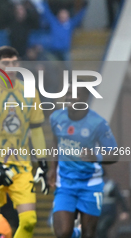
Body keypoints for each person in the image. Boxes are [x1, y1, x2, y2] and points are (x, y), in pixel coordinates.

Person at [0, 46, 48, 238]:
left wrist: (43, 162)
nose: (11, 68)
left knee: (29, 220)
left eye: (14, 63)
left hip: (21, 166)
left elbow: (37, 130)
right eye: (6, 64)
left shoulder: (30, 92)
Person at [48, 85, 118, 238]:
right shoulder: (56, 118)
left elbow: (114, 154)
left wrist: (96, 157)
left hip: (90, 185)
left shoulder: (98, 123)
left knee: (89, 234)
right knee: (63, 233)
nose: (70, 97)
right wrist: (52, 168)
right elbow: (55, 143)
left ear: (86, 99)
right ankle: (75, 233)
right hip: (65, 183)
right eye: (68, 94)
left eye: (75, 94)